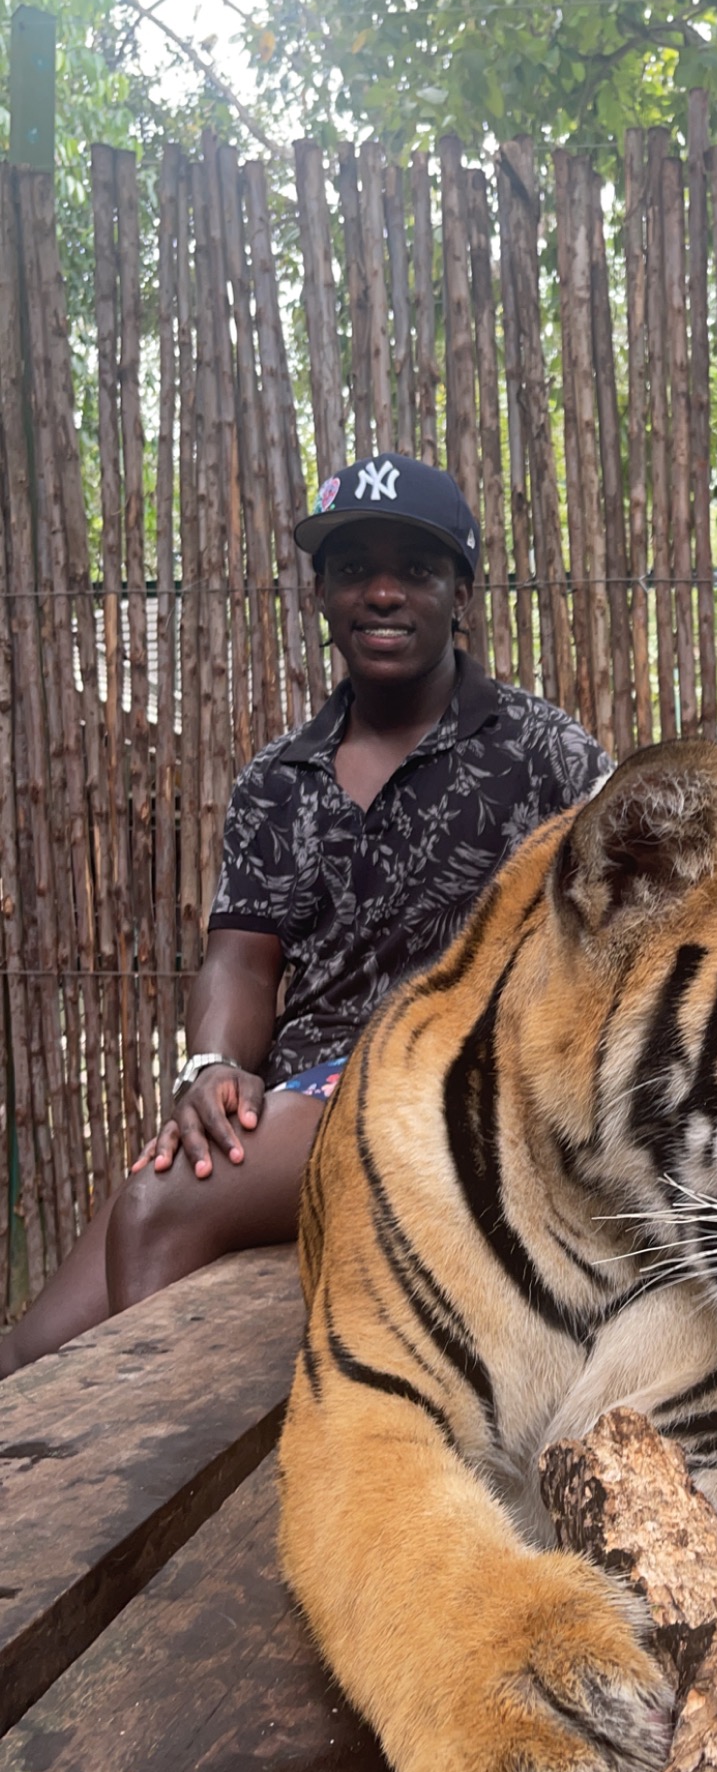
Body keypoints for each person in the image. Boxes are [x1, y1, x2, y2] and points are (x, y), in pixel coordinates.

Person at [0, 455, 609, 1377]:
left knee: (163, 1207)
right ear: (321, 593)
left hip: (451, 1093)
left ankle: (183, 1503)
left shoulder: (544, 754)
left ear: (461, 592)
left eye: (415, 569)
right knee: (31, 1356)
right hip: (302, 1100)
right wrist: (212, 1072)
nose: (383, 593)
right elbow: (241, 962)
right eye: (353, 568)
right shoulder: (277, 780)